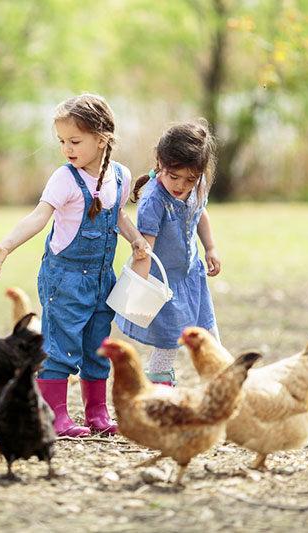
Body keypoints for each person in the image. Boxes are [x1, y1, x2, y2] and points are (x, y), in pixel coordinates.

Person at [0, 93, 149, 437]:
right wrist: (6, 245)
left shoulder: (120, 175)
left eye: (75, 141)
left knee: (97, 346)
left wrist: (135, 238)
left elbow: (117, 215)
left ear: (102, 140)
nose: (66, 149)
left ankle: (97, 413)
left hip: (103, 278)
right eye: (61, 141)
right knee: (60, 346)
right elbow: (39, 217)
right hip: (64, 278)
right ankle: (55, 415)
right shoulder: (64, 179)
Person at [117, 121, 221, 386]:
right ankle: (159, 388)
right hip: (164, 285)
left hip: (190, 276)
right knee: (168, 342)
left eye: (190, 179)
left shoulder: (197, 185)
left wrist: (210, 247)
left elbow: (199, 213)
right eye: (174, 177)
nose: (181, 185)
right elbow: (145, 250)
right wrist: (137, 289)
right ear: (160, 163)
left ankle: (221, 381)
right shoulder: (154, 200)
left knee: (208, 330)